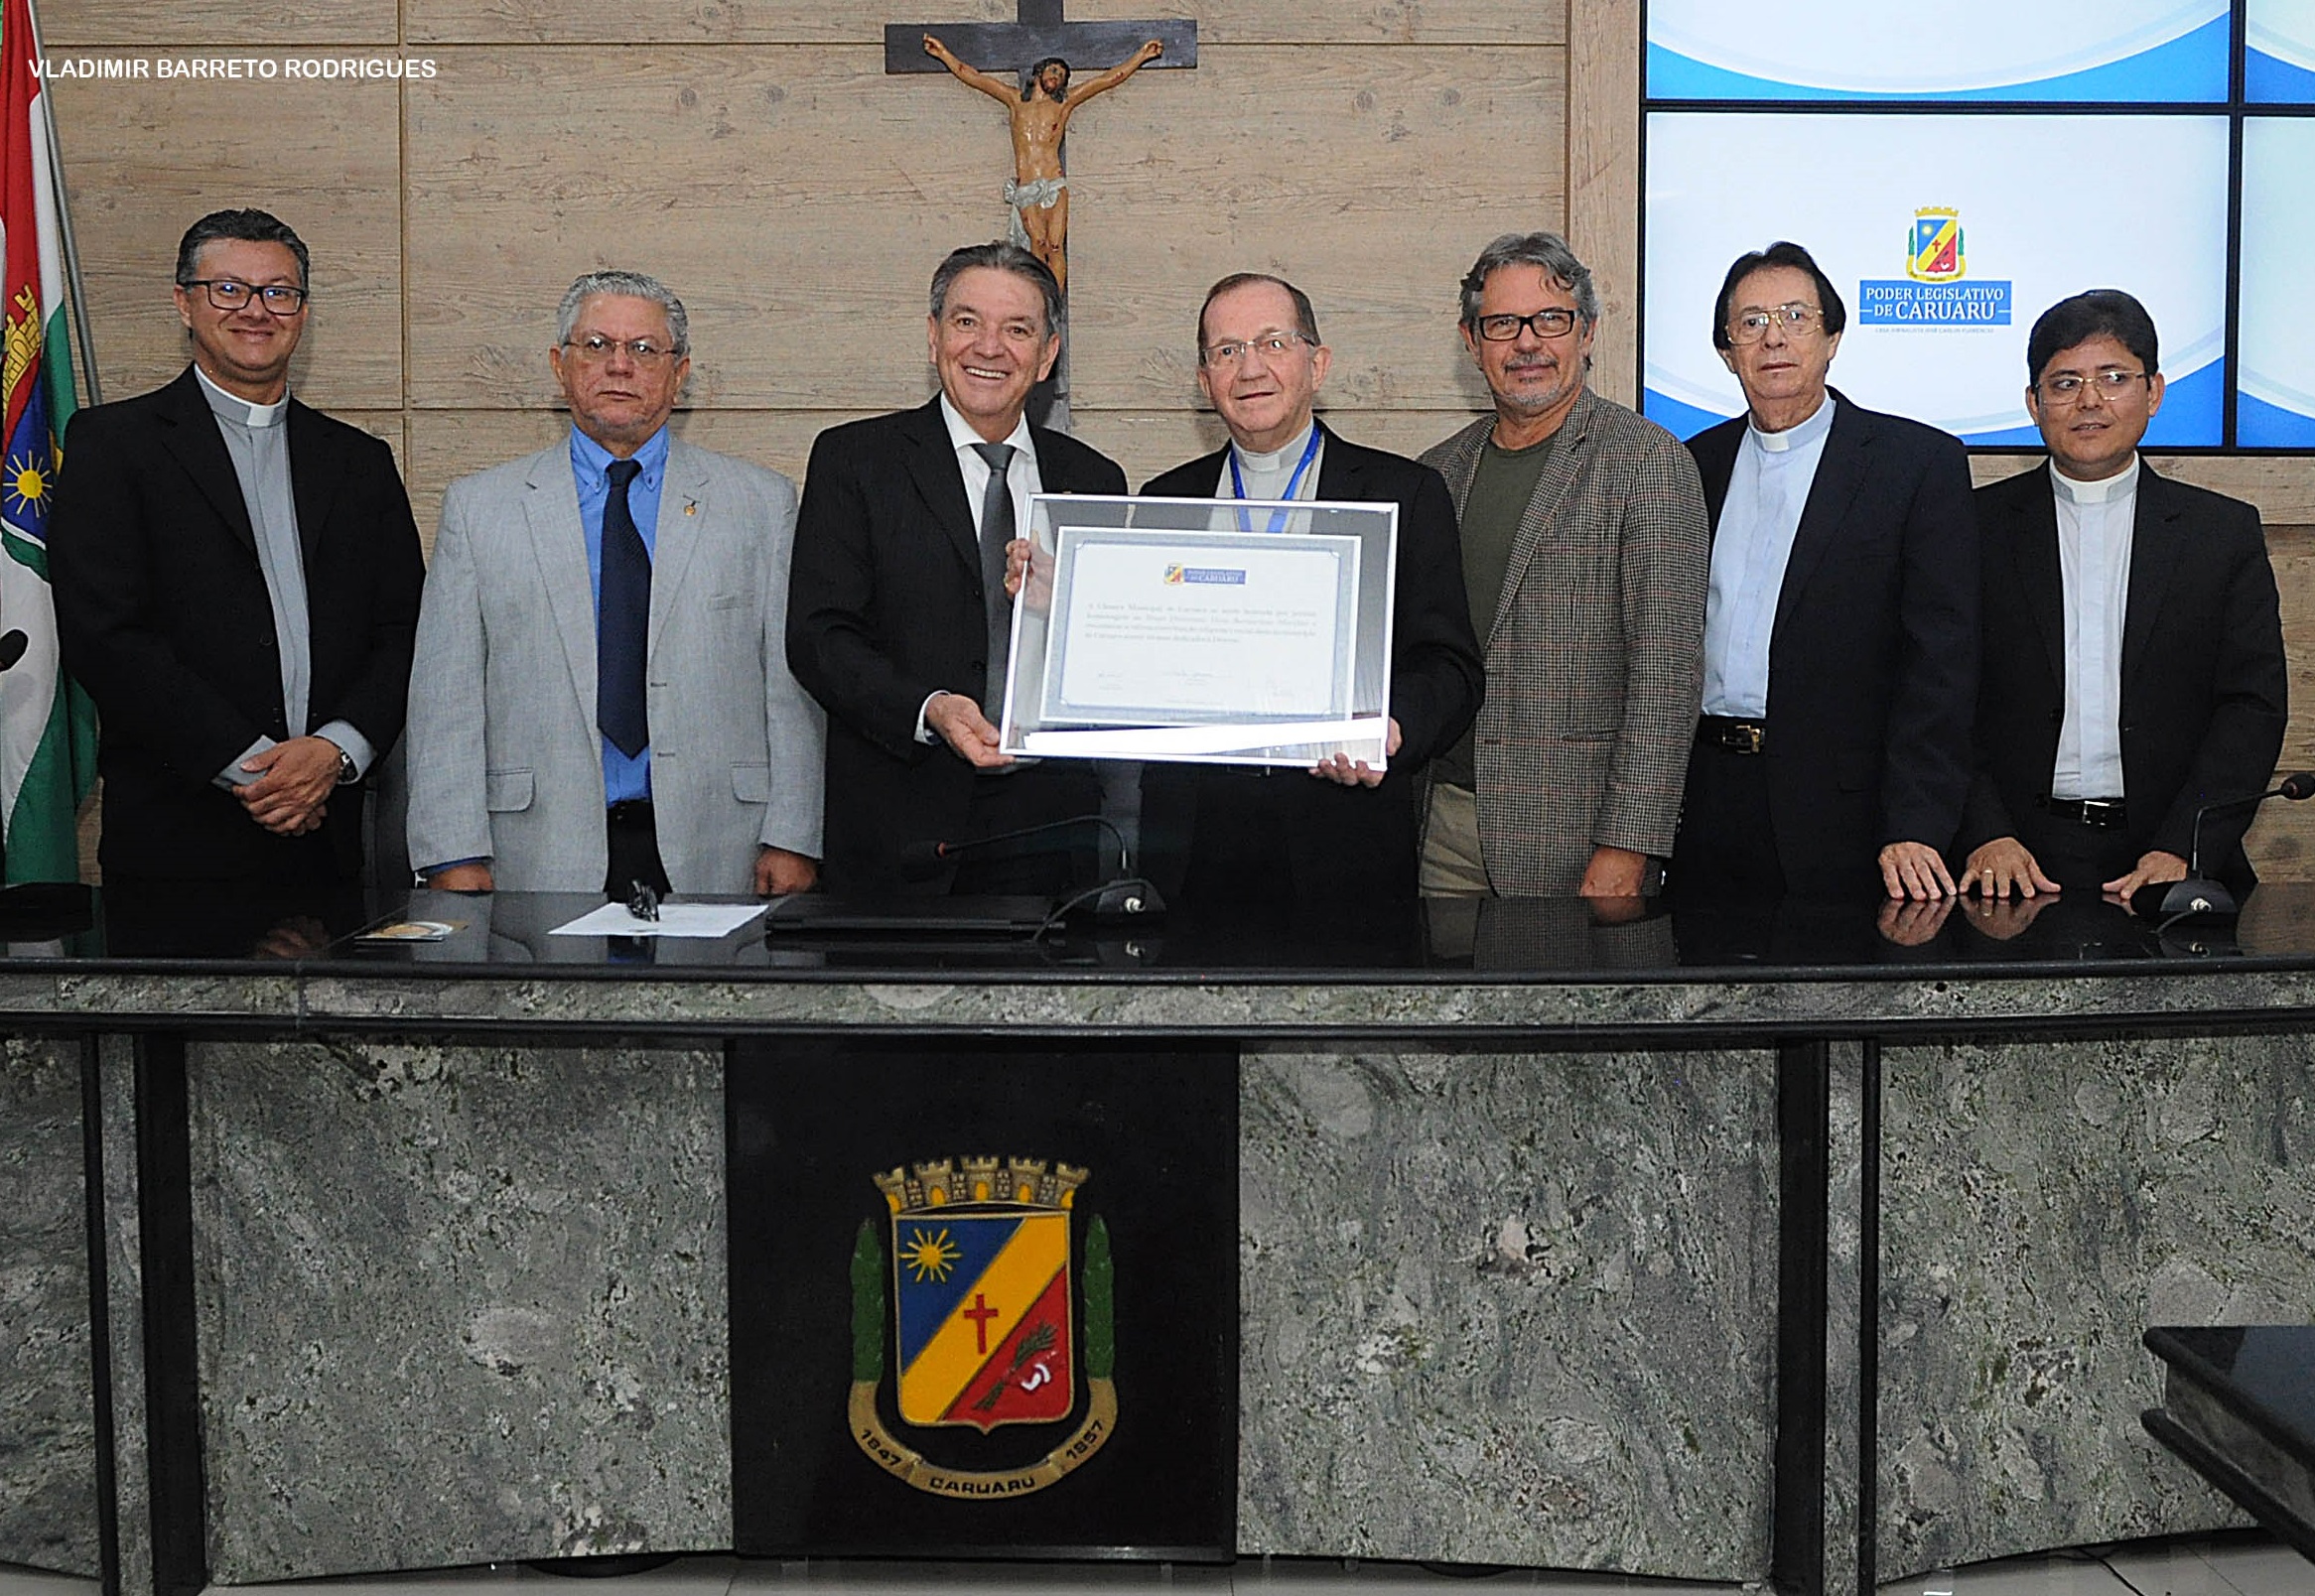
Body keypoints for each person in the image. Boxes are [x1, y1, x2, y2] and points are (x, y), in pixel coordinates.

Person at [404, 269, 824, 896]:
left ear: (679, 373)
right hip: (534, 851)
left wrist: (792, 836)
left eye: (644, 350)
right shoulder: (480, 508)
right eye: (596, 346)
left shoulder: (760, 503)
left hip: (720, 845)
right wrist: (451, 852)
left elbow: (790, 688)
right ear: (560, 365)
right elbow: (445, 699)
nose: (619, 367)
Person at [50, 208, 423, 890]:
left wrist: (335, 752)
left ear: (303, 313)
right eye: (229, 289)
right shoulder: (113, 445)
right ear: (184, 303)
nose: (257, 310)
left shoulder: (359, 462)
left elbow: (404, 632)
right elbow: (106, 636)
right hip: (175, 838)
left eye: (279, 292)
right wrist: (258, 770)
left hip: (331, 834)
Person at [786, 241, 1127, 895]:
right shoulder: (855, 461)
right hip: (899, 825)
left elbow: (1115, 656)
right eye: (967, 321)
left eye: (1017, 329)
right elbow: (817, 636)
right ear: (934, 335)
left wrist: (1070, 609)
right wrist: (928, 707)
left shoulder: (1093, 478)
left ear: (1048, 353)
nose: (989, 347)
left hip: (1050, 828)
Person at [1138, 272, 1483, 907]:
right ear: (1203, 378)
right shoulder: (1163, 502)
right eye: (1227, 350)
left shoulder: (1401, 494)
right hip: (1192, 845)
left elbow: (1449, 665)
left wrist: (1392, 726)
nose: (1249, 369)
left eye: (1273, 343)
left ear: (1317, 363)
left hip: (1343, 835)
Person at [1674, 241, 1978, 903]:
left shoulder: (1914, 464)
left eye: (1794, 316)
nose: (1773, 337)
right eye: (1750, 322)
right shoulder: (1691, 466)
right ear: (1727, 352)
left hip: (1850, 815)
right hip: (1706, 800)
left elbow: (1941, 666)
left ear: (1833, 336)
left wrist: (1917, 822)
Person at [1957, 289, 2285, 901]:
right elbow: (1938, 698)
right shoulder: (1974, 529)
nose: (2089, 402)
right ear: (2033, 403)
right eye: (2064, 383)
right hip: (2009, 863)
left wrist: (2183, 845)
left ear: (2155, 392)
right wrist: (1985, 832)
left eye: (2113, 378)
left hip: (2170, 855)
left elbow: (2251, 707)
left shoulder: (2221, 534)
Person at [1420, 231, 1707, 898]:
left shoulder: (1649, 464)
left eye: (1551, 319)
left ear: (1587, 333)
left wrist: (1629, 846)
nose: (1527, 343)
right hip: (1439, 828)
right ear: (1471, 342)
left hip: (1575, 841)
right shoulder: (1436, 472)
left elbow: (1666, 677)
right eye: (1502, 324)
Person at [922, 35, 1163, 296]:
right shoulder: (1015, 100)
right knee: (1037, 243)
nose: (1057, 76)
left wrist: (1142, 56)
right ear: (1039, 72)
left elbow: (1107, 80)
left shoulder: (1063, 105)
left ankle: (1055, 300)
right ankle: (1039, 297)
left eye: (1061, 74)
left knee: (1055, 245)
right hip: (1027, 187)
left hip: (1053, 183)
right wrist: (943, 53)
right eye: (1053, 70)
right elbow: (973, 76)